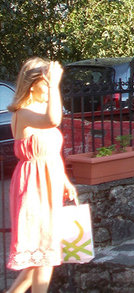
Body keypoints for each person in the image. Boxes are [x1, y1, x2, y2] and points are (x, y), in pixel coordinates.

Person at [6, 57, 77, 293]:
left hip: (50, 182)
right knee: (44, 255)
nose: (49, 88)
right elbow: (53, 119)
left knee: (42, 254)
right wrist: (55, 83)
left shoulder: (37, 109)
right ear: (31, 83)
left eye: (49, 84)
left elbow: (51, 152)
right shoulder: (23, 113)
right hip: (32, 186)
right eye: (45, 83)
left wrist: (66, 181)